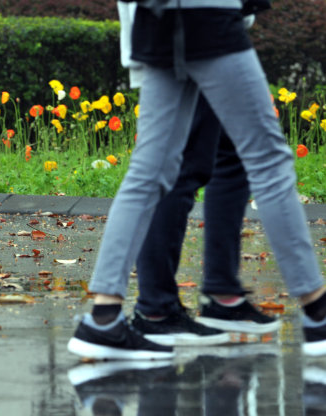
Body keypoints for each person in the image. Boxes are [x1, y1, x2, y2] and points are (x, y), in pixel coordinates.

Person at [67, 0, 326, 360]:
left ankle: (104, 317)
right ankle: (318, 311)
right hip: (206, 14)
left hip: (156, 19)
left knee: (150, 169)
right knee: (268, 159)